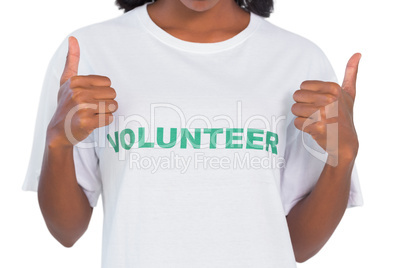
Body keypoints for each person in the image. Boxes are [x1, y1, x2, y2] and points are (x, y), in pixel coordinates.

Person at [22, 0, 363, 267]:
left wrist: (342, 159)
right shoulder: (90, 52)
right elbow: (66, 231)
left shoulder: (298, 60)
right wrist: (58, 142)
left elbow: (299, 246)